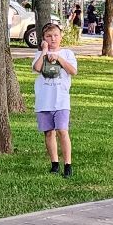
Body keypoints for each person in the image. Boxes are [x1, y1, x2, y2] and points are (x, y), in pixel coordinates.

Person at [32, 19, 78, 176]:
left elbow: (73, 71)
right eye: (49, 36)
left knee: (62, 131)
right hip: (44, 100)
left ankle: (68, 164)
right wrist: (45, 52)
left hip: (61, 100)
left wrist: (58, 58)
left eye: (55, 35)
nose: (53, 39)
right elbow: (37, 68)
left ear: (61, 37)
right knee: (49, 132)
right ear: (43, 38)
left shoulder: (67, 53)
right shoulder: (39, 54)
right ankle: (54, 163)